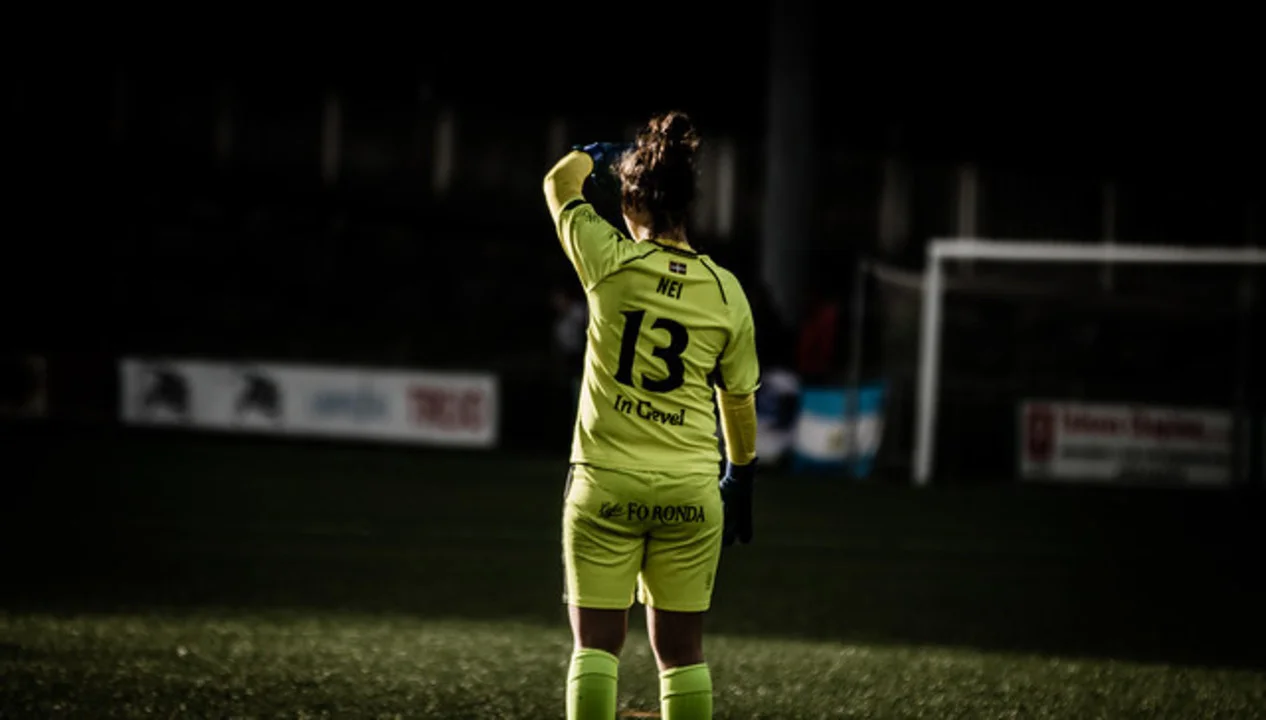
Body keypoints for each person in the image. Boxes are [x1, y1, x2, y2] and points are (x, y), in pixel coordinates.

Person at [543, 111, 761, 720]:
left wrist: (596, 154)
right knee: (683, 655)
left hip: (605, 483)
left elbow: (559, 183)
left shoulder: (609, 262)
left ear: (630, 201)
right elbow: (737, 400)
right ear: (688, 206)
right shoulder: (727, 291)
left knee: (595, 647)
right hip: (691, 491)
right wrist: (742, 475)